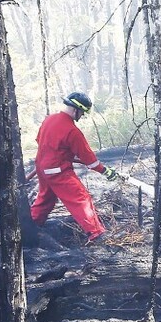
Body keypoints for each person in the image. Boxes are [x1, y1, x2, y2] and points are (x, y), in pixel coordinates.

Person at [30, 92, 119, 245]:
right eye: (82, 112)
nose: (82, 116)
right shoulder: (72, 131)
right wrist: (105, 171)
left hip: (42, 168)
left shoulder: (49, 119)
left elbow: (41, 141)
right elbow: (89, 160)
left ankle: (30, 228)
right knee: (81, 198)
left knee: (45, 200)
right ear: (76, 109)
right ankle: (96, 234)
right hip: (58, 171)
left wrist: (63, 155)